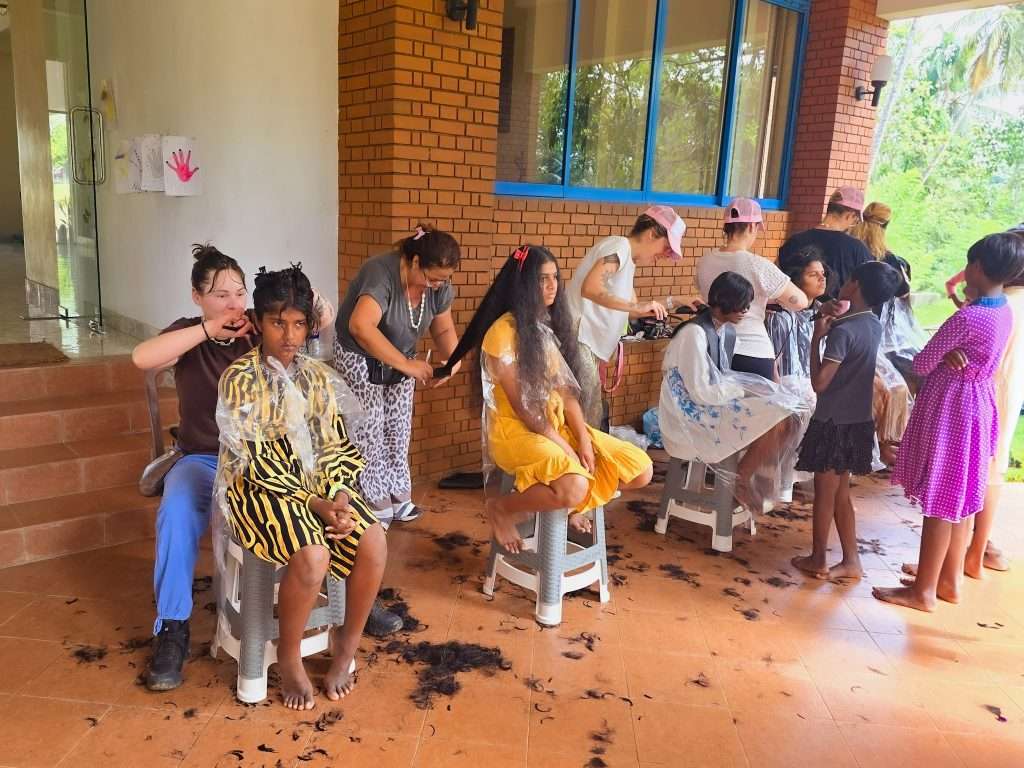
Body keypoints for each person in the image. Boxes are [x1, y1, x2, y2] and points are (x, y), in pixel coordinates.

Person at [130, 244, 335, 691]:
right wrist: (207, 329)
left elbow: (323, 316)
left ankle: (341, 597)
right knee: (177, 511)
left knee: (333, 497)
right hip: (205, 458)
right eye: (220, 294)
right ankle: (172, 628)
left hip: (267, 462)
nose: (232, 304)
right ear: (196, 297)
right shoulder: (188, 334)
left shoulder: (260, 331)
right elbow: (142, 358)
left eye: (239, 293)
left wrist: (280, 295)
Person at [216, 265, 386, 709]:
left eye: (298, 324)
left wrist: (342, 497)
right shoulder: (239, 380)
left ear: (310, 325)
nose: (289, 336)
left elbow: (335, 445)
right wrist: (316, 502)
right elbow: (254, 461)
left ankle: (346, 646)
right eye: (277, 323)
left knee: (373, 540)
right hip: (258, 491)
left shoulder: (316, 377)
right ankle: (289, 656)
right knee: (313, 555)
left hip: (321, 490)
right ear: (257, 322)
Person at [434, 245, 653, 553]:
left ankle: (570, 504)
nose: (552, 286)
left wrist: (584, 440)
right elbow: (525, 408)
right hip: (516, 433)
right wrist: (566, 448)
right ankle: (503, 507)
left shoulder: (546, 327)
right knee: (574, 482)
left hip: (554, 427)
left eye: (555, 278)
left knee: (640, 468)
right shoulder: (502, 333)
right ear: (523, 286)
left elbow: (567, 394)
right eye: (541, 279)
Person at [874, 233, 1024, 611]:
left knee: (940, 497)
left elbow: (922, 362)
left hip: (953, 407)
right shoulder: (1002, 309)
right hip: (979, 403)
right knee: (960, 495)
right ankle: (948, 579)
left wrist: (945, 355)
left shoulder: (969, 316)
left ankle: (922, 592)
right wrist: (952, 354)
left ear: (976, 266)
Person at [334, 224, 461, 634]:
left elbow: (442, 329)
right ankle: (370, 505)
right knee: (367, 430)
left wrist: (452, 360)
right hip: (360, 356)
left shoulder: (436, 287)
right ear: (413, 262)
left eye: (444, 281)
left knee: (396, 429)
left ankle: (395, 499)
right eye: (432, 277)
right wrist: (406, 366)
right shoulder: (381, 273)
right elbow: (361, 327)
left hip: (400, 358)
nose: (437, 286)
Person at [660, 272, 809, 511]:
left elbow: (723, 378)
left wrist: (749, 390)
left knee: (791, 415)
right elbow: (699, 392)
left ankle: (754, 477)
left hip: (712, 402)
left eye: (748, 304)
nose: (745, 310)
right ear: (721, 300)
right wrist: (741, 390)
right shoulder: (693, 334)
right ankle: (742, 479)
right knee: (778, 418)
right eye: (740, 303)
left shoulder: (727, 332)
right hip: (689, 414)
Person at [791, 261, 902, 580]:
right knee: (840, 493)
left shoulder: (843, 331)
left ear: (854, 284)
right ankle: (851, 560)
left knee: (824, 494)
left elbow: (819, 384)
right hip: (858, 421)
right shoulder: (872, 324)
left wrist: (816, 338)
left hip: (833, 421)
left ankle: (817, 559)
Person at [567, 206, 686, 425]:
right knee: (584, 420)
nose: (664, 256)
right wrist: (638, 308)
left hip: (588, 346)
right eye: (666, 247)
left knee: (586, 417)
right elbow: (590, 288)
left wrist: (675, 301)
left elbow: (634, 307)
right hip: (579, 341)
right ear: (651, 233)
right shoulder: (619, 246)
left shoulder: (627, 260)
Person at [697, 198, 810, 381]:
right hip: (753, 352)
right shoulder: (757, 265)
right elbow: (800, 302)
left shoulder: (705, 262)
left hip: (714, 351)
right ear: (751, 226)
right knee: (757, 409)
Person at [779, 187, 873, 298]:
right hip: (837, 313)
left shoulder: (794, 240)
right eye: (855, 221)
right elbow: (868, 287)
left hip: (794, 310)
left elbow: (780, 281)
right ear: (850, 215)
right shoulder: (857, 249)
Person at [765, 246, 829, 379]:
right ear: (795, 279)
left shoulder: (823, 312)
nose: (822, 278)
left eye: (823, 273)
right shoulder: (781, 317)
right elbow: (783, 367)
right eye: (813, 274)